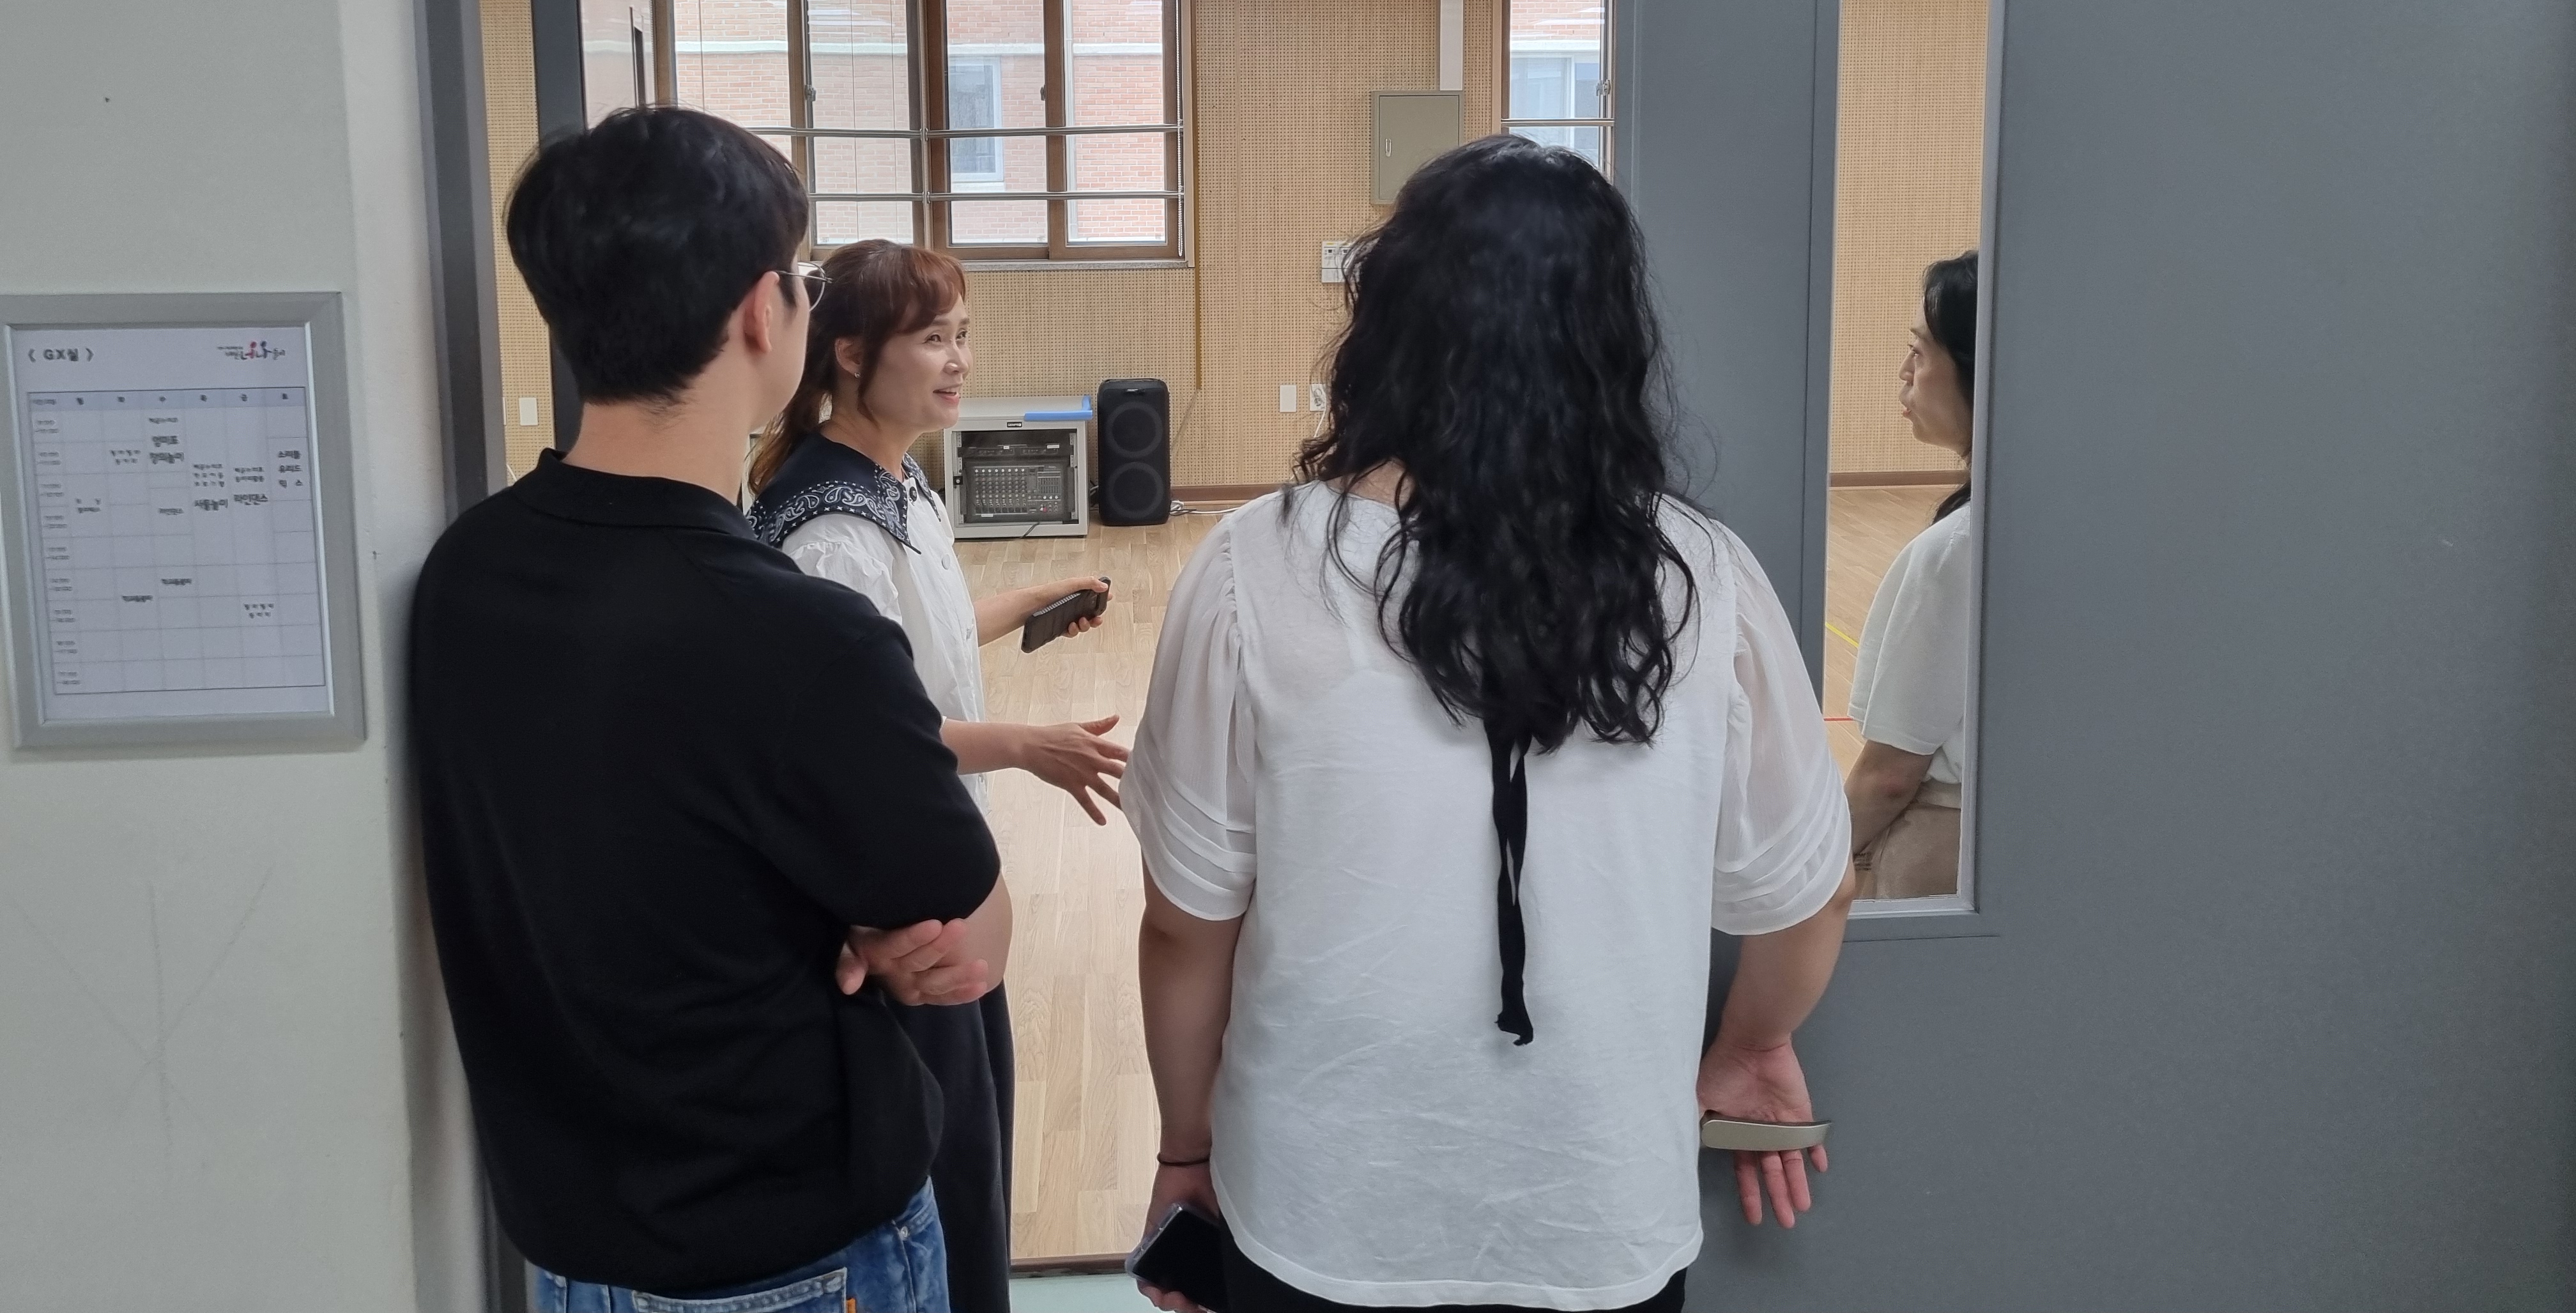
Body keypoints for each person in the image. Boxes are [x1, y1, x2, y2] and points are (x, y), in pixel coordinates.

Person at [1123, 135, 1857, 1313]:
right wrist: (1753, 1043)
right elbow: (1810, 893)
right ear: (1607, 338)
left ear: (1389, 321)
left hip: (1320, 1209)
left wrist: (1185, 1146)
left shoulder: (1251, 565)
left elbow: (1184, 923)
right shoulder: (1703, 576)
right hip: (1602, 1215)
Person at [411, 107, 1010, 1313]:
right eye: (799, 279)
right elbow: (969, 942)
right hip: (801, 1255)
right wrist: (861, 926)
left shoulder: (464, 573)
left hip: (573, 1248)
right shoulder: (804, 636)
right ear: (758, 314)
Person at [748, 237, 1127, 1313]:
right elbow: (868, 734)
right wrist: (1028, 744)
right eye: (932, 338)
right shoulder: (830, 529)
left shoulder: (899, 482)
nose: (958, 359)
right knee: (946, 1175)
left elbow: (916, 646)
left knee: (975, 1154)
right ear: (851, 353)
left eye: (962, 334)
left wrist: (1027, 601)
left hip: (937, 871)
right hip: (890, 907)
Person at [1844, 249, 1979, 900]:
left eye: (1920, 354)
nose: (1904, 373)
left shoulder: (1960, 548)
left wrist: (1809, 874)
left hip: (1944, 856)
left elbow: (1890, 777)